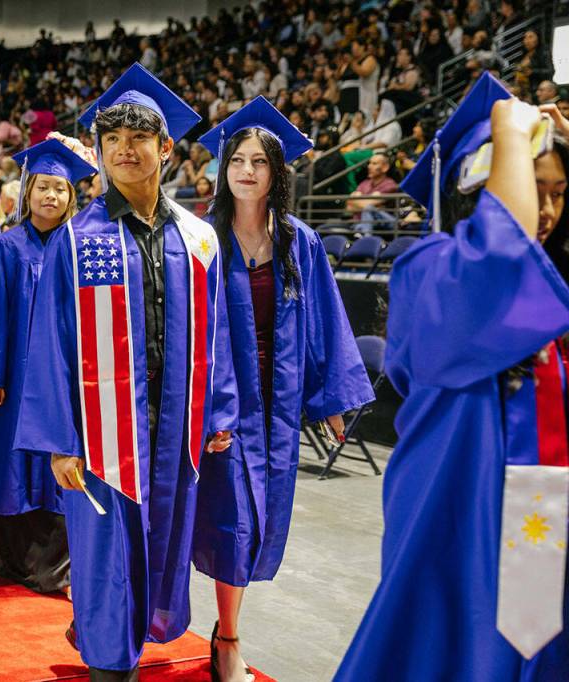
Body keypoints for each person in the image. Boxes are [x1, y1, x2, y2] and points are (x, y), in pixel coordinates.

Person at [336, 73, 569, 682]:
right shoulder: (428, 272)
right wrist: (512, 134)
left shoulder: (553, 290)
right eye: (530, 186)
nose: (546, 209)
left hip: (543, 523)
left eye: (560, 192)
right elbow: (499, 259)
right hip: (460, 521)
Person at [12, 63, 238, 679]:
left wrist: (219, 410)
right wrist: (59, 441)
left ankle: (124, 633)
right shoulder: (80, 239)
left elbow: (215, 332)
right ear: (102, 152)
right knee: (106, 551)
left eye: (138, 139)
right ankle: (110, 664)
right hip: (102, 433)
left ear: (165, 149)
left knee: (163, 539)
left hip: (173, 428)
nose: (124, 151)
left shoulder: (197, 238)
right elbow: (50, 345)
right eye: (112, 141)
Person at [191, 96, 374, 682]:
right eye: (237, 159)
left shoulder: (300, 243)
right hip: (222, 402)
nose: (246, 170)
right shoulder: (200, 241)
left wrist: (332, 401)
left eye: (259, 161)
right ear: (224, 169)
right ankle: (228, 638)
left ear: (276, 173)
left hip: (277, 402)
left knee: (258, 518)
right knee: (233, 519)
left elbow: (325, 324)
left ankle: (225, 631)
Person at [0, 139, 96, 594]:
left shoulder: (82, 247)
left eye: (59, 189)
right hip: (15, 381)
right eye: (42, 187)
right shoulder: (8, 247)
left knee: (55, 463)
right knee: (9, 465)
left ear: (70, 196)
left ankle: (54, 568)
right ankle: (11, 559)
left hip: (62, 379)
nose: (50, 197)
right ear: (27, 193)